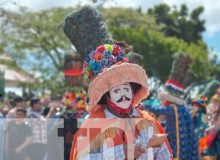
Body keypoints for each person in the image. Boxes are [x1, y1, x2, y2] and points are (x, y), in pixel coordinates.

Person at [64, 6, 172, 160]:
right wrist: (123, 153)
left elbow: (164, 155)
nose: (123, 95)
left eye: (126, 89)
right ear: (106, 96)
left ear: (133, 89)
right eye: (116, 91)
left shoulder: (147, 121)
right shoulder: (94, 124)